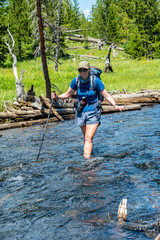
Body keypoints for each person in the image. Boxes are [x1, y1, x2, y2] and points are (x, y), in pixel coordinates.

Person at [51, 61, 124, 159]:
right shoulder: (76, 81)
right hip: (81, 112)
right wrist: (57, 97)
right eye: (80, 70)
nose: (82, 72)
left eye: (84, 70)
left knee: (88, 138)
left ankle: (87, 162)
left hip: (93, 112)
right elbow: (68, 94)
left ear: (89, 69)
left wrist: (115, 105)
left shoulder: (96, 81)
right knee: (87, 138)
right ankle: (90, 155)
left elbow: (105, 94)